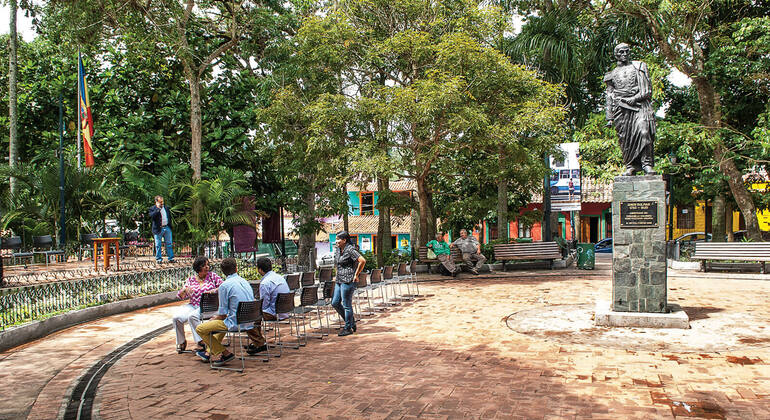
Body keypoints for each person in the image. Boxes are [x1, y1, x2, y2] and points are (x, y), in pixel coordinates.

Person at [195, 258, 260, 367]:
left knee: (200, 329)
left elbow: (222, 314)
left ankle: (225, 353)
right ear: (236, 268)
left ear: (223, 272)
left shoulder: (224, 286)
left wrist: (214, 318)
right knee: (221, 325)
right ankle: (208, 352)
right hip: (250, 320)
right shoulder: (244, 281)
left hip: (236, 322)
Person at [604, 43, 656, 176]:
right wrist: (609, 117)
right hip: (621, 109)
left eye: (627, 51)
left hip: (639, 106)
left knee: (644, 131)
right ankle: (630, 165)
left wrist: (635, 98)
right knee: (625, 138)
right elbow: (609, 95)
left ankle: (647, 164)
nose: (624, 54)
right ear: (616, 54)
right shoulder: (612, 74)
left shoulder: (639, 67)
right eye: (621, 52)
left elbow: (647, 90)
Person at [173, 256, 223, 354]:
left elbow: (223, 286)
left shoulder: (213, 276)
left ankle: (201, 342)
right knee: (176, 318)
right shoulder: (191, 280)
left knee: (192, 317)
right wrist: (185, 290)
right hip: (194, 305)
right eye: (204, 265)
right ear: (198, 267)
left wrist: (214, 290)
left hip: (209, 306)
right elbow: (180, 295)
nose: (207, 267)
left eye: (208, 265)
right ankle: (181, 341)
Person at [243, 257, 290, 355]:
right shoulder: (280, 277)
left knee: (248, 316)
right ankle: (257, 342)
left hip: (274, 313)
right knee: (256, 315)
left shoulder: (265, 283)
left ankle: (259, 342)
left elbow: (264, 305)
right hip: (285, 310)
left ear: (260, 269)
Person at [332, 231, 366, 336]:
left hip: (348, 280)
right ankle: (351, 321)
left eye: (338, 239)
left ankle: (348, 327)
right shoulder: (338, 249)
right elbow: (337, 263)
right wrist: (336, 275)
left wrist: (356, 274)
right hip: (339, 280)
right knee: (335, 303)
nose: (336, 241)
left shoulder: (350, 249)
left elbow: (362, 261)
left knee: (347, 305)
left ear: (344, 240)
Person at [149, 195, 174, 263]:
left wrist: (170, 226)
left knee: (169, 244)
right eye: (160, 201)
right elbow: (152, 216)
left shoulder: (166, 208)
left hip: (167, 227)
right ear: (156, 201)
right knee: (158, 245)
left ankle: (171, 258)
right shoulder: (153, 208)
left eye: (162, 201)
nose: (162, 203)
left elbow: (169, 217)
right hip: (158, 229)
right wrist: (158, 209)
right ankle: (159, 259)